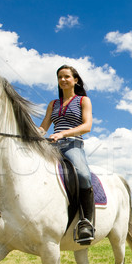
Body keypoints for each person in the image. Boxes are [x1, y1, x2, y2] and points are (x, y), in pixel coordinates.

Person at [38, 65, 94, 242]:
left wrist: (63, 133)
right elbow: (43, 127)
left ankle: (86, 221)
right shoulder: (53, 104)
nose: (63, 80)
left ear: (75, 80)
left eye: (67, 77)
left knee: (83, 174)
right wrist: (32, 133)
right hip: (52, 147)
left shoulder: (83, 100)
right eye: (60, 77)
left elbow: (87, 126)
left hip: (72, 145)